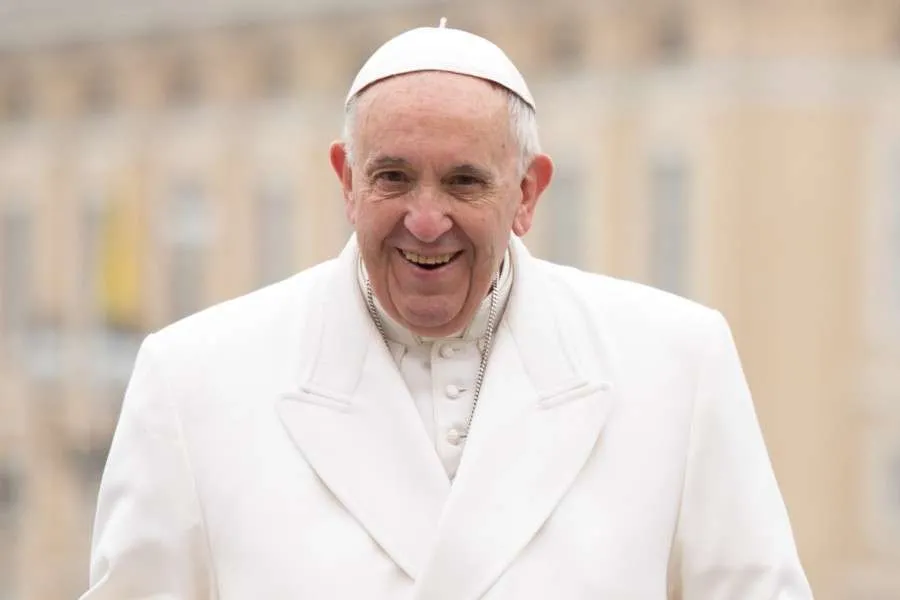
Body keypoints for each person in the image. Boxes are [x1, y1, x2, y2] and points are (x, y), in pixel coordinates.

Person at [80, 21, 814, 600]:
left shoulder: (677, 364)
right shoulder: (193, 379)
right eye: (393, 178)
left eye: (464, 182)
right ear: (346, 180)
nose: (425, 221)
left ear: (527, 193)